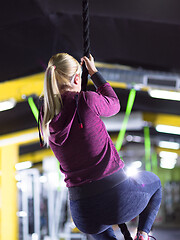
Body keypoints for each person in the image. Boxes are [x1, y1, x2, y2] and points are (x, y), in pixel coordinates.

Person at [40, 53, 162, 240]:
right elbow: (114, 104)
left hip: (83, 212)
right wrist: (95, 73)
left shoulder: (45, 117)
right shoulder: (86, 101)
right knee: (154, 183)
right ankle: (143, 235)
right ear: (77, 78)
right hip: (118, 198)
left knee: (98, 224)